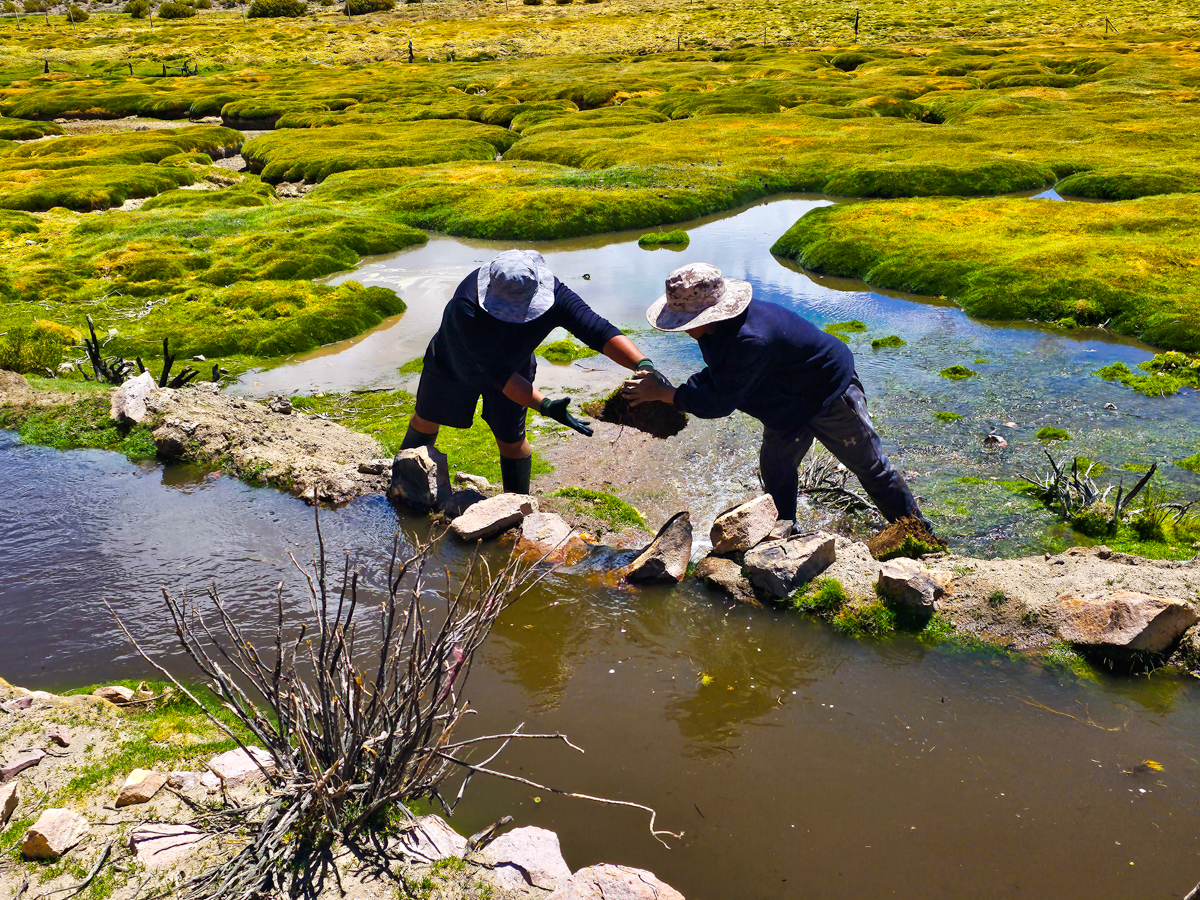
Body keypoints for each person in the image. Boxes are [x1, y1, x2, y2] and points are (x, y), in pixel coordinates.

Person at [622, 262, 928, 526]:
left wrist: (666, 394)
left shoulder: (751, 338)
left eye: (687, 322)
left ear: (710, 313)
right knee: (776, 470)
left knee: (872, 469)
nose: (686, 329)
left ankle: (919, 537)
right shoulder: (715, 330)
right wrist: (670, 390)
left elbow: (720, 400)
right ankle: (785, 532)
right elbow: (723, 374)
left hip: (828, 393)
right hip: (785, 401)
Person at [401, 249, 663, 494]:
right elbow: (497, 374)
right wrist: (546, 405)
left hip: (515, 365)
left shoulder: (554, 294)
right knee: (426, 419)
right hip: (453, 359)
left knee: (512, 441)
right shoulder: (466, 305)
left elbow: (598, 331)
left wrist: (643, 365)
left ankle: (516, 507)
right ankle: (404, 486)